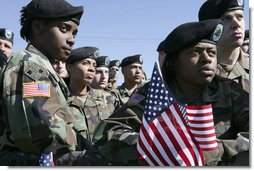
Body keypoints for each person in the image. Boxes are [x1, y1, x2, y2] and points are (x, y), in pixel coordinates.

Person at [93, 19, 249, 166]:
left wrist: (215, 151)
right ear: (174, 62)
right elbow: (110, 133)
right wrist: (161, 147)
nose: (207, 59)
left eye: (212, 53)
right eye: (195, 52)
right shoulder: (154, 93)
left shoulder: (229, 91)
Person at [0, 0, 106, 166]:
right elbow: (42, 131)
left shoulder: (42, 66)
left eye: (75, 33)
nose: (71, 39)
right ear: (37, 27)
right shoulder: (30, 65)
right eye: (64, 29)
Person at [198, 0, 249, 93]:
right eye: (227, 19)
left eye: (240, 17)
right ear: (210, 28)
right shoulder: (194, 72)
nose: (237, 24)